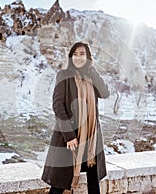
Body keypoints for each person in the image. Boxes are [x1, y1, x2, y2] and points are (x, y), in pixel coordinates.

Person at [41, 42, 110, 194]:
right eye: (75, 54)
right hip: (70, 138)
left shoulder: (91, 76)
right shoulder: (64, 75)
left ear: (88, 57)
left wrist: (92, 70)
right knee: (60, 182)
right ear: (71, 57)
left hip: (90, 137)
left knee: (93, 180)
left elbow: (105, 93)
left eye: (82, 54)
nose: (79, 57)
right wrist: (69, 136)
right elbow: (58, 106)